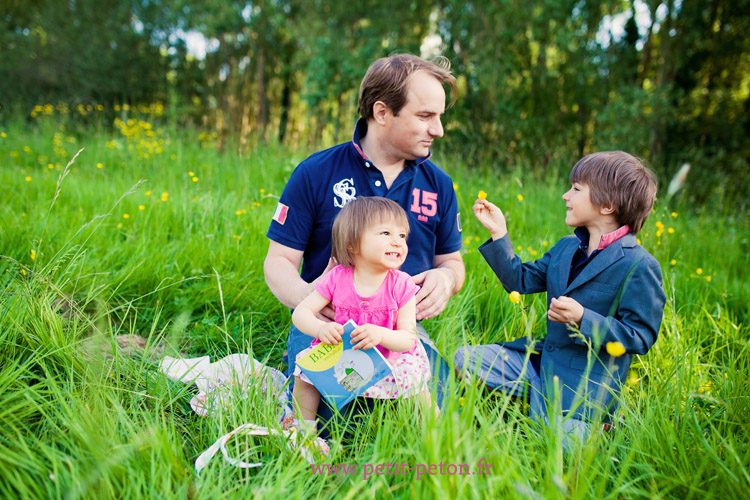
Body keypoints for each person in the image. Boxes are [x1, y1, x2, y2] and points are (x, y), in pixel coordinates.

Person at [264, 54, 465, 417]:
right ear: (383, 112)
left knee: (439, 412)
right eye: (425, 116)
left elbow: (452, 261)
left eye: (439, 117)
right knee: (330, 418)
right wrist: (308, 299)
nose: (438, 130)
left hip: (399, 331)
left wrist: (447, 278)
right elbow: (278, 261)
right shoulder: (316, 172)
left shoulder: (440, 185)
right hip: (328, 327)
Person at [455, 151, 666, 444]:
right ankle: (533, 400)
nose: (566, 196)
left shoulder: (639, 265)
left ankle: (593, 427)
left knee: (549, 449)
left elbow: (640, 336)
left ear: (608, 205)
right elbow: (520, 280)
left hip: (582, 388)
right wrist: (499, 233)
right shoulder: (567, 247)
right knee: (467, 359)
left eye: (577, 189)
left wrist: (583, 318)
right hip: (542, 364)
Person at [289, 197, 431, 431]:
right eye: (386, 233)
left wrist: (381, 335)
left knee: (415, 381)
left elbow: (408, 339)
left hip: (389, 354)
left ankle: (436, 433)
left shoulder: (401, 284)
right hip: (344, 351)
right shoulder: (338, 277)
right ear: (352, 244)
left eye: (402, 236)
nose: (397, 242)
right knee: (304, 373)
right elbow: (301, 313)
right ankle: (302, 429)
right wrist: (321, 329)